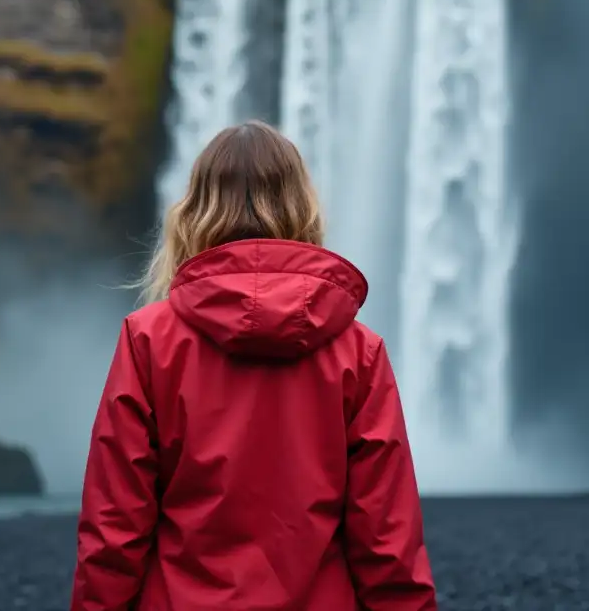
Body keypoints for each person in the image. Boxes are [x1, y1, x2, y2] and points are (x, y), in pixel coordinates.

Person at [70, 120, 438, 611]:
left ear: (194, 211)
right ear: (301, 207)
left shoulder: (148, 340)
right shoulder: (359, 351)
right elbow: (387, 540)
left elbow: (115, 529)